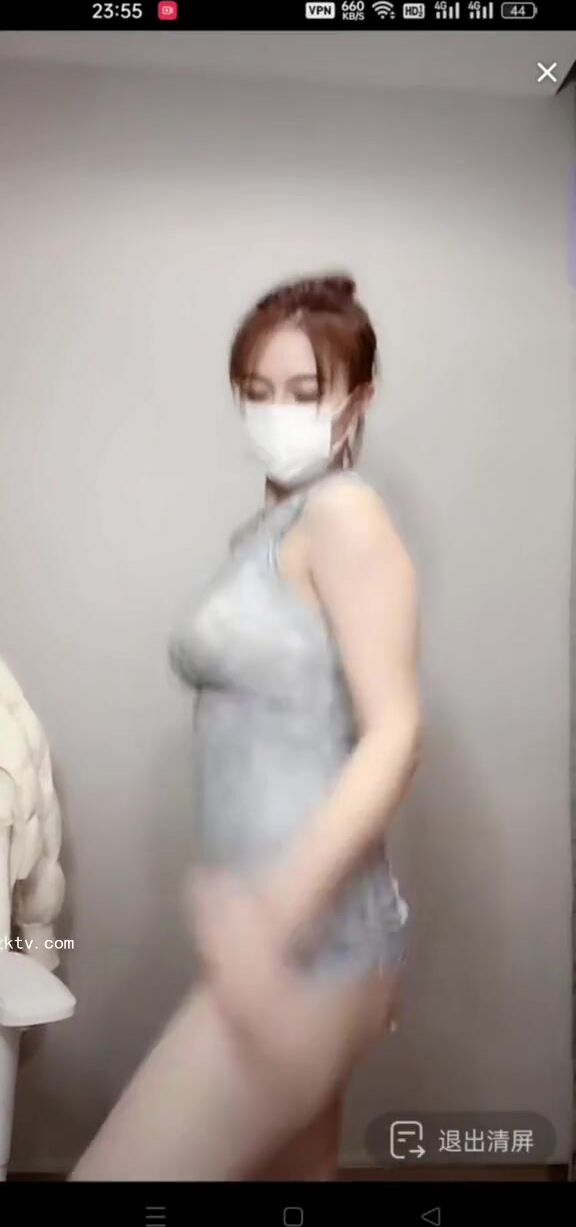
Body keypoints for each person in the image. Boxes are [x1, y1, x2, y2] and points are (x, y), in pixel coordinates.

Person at [69, 272, 421, 1182]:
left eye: (305, 391)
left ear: (360, 398)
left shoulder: (345, 515)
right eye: (258, 391)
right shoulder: (269, 530)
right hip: (293, 945)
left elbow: (395, 733)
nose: (276, 413)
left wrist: (273, 911)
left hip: (310, 944)